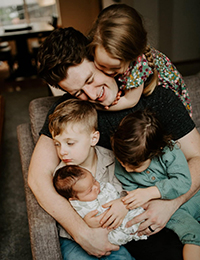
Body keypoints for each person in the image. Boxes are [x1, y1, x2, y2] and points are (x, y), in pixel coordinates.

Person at [27, 25, 200, 260]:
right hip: (134, 221)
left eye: (90, 78)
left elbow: (197, 157)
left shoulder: (158, 97)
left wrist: (169, 204)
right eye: (78, 92)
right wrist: (81, 233)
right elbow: (37, 177)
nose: (91, 94)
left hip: (172, 198)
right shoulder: (73, 113)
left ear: (99, 59)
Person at [48, 98, 137, 260]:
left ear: (93, 139)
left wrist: (123, 205)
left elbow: (130, 187)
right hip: (74, 238)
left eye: (70, 143)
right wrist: (84, 225)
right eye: (57, 144)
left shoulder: (111, 159)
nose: (62, 152)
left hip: (113, 233)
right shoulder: (62, 175)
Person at [111, 109, 200, 260]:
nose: (126, 168)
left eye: (135, 166)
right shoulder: (121, 166)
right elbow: (135, 198)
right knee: (194, 234)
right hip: (167, 211)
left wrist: (150, 192)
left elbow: (184, 182)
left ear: (157, 151)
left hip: (191, 197)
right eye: (122, 161)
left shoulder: (169, 151)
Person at [87, 4, 192, 116]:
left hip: (172, 108)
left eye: (115, 68)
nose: (107, 72)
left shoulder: (139, 66)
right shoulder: (96, 47)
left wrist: (96, 107)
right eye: (101, 66)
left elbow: (130, 101)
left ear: (131, 58)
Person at [53, 165, 147, 246]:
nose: (96, 187)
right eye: (90, 190)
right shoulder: (80, 206)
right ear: (74, 199)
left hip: (123, 209)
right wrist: (89, 223)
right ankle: (134, 232)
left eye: (94, 180)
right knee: (115, 237)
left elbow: (113, 191)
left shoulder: (97, 186)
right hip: (111, 228)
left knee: (138, 212)